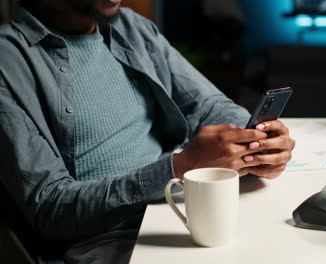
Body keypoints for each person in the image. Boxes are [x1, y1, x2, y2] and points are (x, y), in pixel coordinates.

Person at [0, 0, 295, 263]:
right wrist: (177, 168)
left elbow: (207, 104)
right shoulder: (8, 61)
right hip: (110, 241)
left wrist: (253, 140)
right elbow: (51, 208)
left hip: (184, 210)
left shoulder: (131, 27)